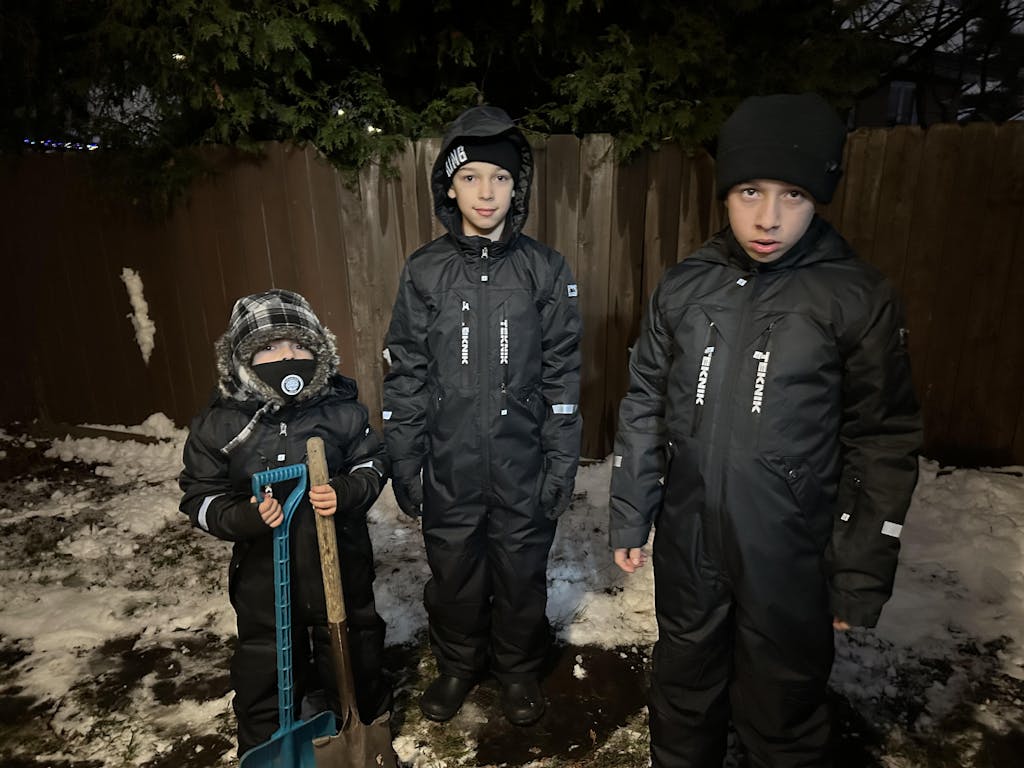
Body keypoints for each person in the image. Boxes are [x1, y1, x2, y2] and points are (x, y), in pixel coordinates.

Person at [609, 93, 922, 767]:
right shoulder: (686, 287)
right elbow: (645, 401)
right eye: (750, 191)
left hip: (789, 550)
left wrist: (859, 568)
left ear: (818, 199)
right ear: (726, 192)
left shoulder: (855, 297)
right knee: (684, 683)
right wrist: (632, 511)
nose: (769, 217)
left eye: (794, 195)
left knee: (781, 703)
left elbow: (883, 439)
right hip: (691, 539)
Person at [382, 105, 582, 726]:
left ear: (517, 187)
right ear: (449, 186)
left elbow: (563, 374)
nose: (486, 192)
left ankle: (518, 669)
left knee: (521, 571)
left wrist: (560, 462)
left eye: (500, 177)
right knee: (455, 571)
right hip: (451, 464)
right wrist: (405, 459)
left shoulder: (545, 268)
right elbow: (406, 371)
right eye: (471, 177)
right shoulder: (425, 270)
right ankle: (458, 665)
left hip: (523, 462)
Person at [179, 288, 391, 756]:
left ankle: (360, 726)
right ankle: (266, 745)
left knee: (353, 647)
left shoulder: (340, 410)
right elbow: (200, 495)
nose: (287, 357)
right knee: (267, 658)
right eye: (270, 348)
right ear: (243, 359)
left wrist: (345, 491)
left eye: (299, 346)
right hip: (263, 573)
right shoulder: (223, 424)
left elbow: (372, 462)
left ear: (319, 353)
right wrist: (244, 516)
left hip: (339, 562)